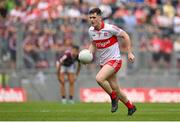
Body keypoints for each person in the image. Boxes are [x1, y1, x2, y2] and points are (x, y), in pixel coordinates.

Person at [87, 8, 136, 115]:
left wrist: (129, 53)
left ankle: (113, 98)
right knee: (116, 89)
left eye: (94, 17)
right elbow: (93, 44)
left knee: (99, 79)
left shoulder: (110, 28)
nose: (92, 20)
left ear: (100, 17)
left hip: (115, 60)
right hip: (104, 63)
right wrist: (89, 54)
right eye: (90, 17)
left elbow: (125, 36)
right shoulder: (91, 30)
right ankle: (131, 107)